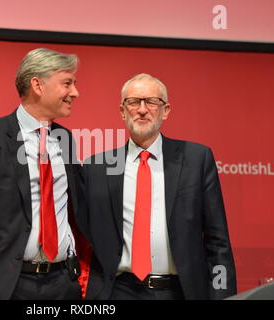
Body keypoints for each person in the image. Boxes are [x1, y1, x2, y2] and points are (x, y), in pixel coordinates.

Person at [82, 73, 236, 300]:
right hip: (117, 292)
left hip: (178, 292)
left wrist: (223, 295)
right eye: (133, 102)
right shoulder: (96, 167)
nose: (142, 109)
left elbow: (217, 242)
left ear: (166, 111)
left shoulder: (196, 159)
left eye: (152, 102)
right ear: (122, 111)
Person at [0, 48, 90, 300]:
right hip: (11, 286)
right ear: (37, 85)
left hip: (64, 283)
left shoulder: (66, 139)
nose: (75, 92)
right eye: (67, 83)